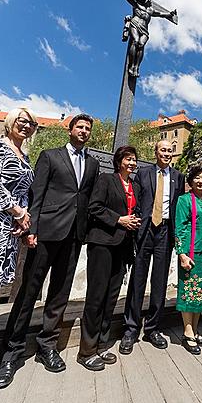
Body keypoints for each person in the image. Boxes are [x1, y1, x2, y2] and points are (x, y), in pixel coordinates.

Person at [0, 114, 99, 390]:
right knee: (28, 290)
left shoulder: (93, 163)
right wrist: (32, 230)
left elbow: (84, 199)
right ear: (70, 129)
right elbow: (36, 195)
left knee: (59, 294)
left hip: (74, 236)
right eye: (80, 127)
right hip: (45, 233)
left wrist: (84, 232)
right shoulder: (49, 156)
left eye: (88, 129)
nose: (84, 131)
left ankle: (46, 345)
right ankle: (11, 352)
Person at [77, 146, 141, 371]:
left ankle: (102, 344)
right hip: (103, 244)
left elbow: (136, 212)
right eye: (128, 159)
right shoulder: (106, 179)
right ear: (119, 161)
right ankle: (86, 350)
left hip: (122, 247)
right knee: (96, 296)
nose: (132, 163)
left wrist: (134, 222)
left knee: (111, 297)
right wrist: (119, 220)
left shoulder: (135, 186)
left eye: (134, 160)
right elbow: (94, 207)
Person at [119, 140, 185, 354]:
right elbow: (136, 200)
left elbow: (178, 206)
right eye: (162, 150)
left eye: (169, 151)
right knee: (138, 279)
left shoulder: (178, 177)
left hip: (165, 231)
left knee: (160, 281)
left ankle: (153, 328)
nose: (166, 153)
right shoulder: (144, 173)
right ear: (155, 153)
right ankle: (130, 329)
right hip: (144, 230)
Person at [0, 108, 37, 308]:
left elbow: (24, 191)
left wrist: (23, 220)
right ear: (11, 121)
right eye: (23, 121)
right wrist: (17, 211)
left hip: (10, 230)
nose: (27, 126)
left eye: (32, 124)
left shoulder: (25, 158)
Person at [175, 165, 202, 355]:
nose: (201, 181)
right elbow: (179, 228)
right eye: (197, 177)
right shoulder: (184, 200)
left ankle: (196, 329)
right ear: (191, 180)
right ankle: (187, 331)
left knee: (201, 293)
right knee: (189, 291)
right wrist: (182, 254)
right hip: (190, 253)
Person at [106, 0, 177, 77]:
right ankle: (131, 66)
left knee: (141, 44)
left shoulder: (151, 11)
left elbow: (161, 14)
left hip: (144, 30)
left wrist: (170, 14)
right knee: (135, 41)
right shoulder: (136, 3)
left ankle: (136, 67)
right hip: (135, 23)